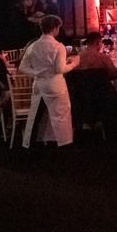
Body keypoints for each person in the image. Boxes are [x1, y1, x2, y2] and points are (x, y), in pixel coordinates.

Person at [20, 16, 78, 149]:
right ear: (55, 28)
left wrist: (37, 73)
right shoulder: (59, 46)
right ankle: (64, 145)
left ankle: (29, 145)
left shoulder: (33, 46)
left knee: (35, 115)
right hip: (55, 85)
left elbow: (22, 68)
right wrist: (74, 63)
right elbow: (60, 69)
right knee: (61, 116)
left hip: (39, 84)